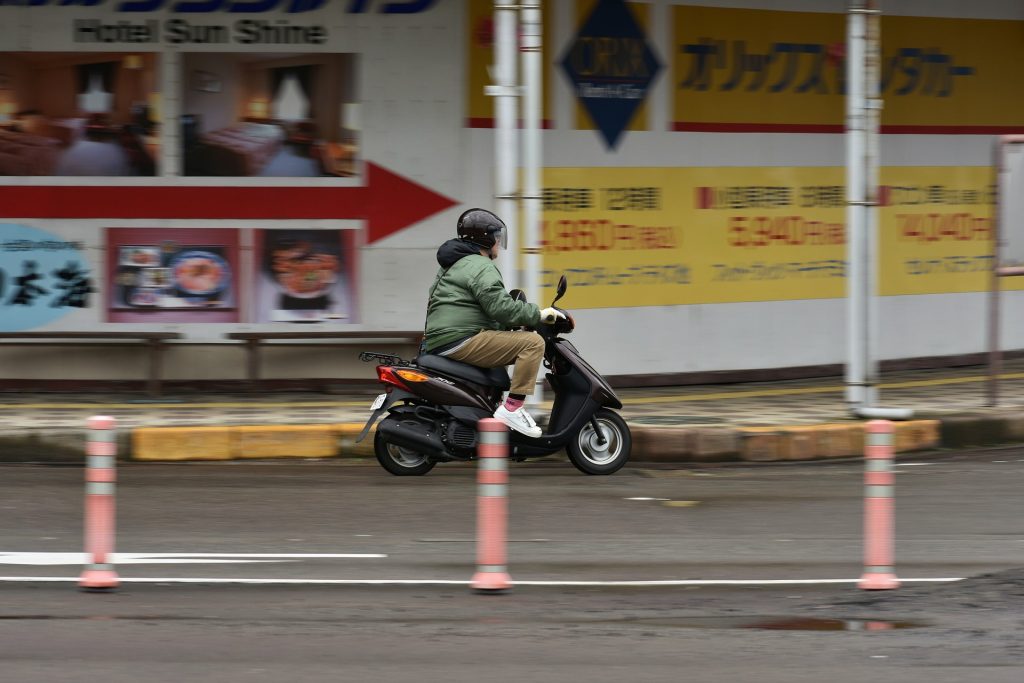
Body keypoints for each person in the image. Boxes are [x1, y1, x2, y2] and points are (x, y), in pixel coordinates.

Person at [422, 208, 564, 438]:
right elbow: (502, 308)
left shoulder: (454, 264)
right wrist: (539, 314)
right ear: (485, 238)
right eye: (496, 236)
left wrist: (508, 324)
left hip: (446, 338)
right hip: (460, 338)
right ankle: (512, 409)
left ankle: (490, 407)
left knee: (508, 345)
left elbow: (477, 309)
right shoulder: (480, 266)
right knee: (532, 343)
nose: (499, 241)